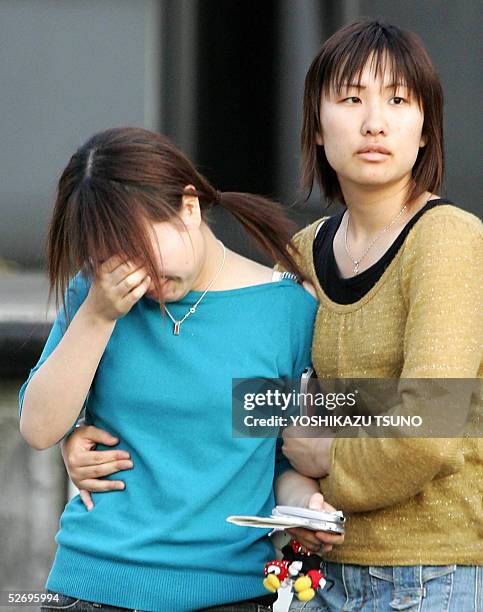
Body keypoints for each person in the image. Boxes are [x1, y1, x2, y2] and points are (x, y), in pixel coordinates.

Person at [18, 127, 343, 612]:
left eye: (144, 252)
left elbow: (277, 457)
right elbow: (40, 428)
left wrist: (307, 506)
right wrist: (98, 314)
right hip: (93, 585)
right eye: (113, 259)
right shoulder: (100, 294)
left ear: (188, 207)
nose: (140, 278)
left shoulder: (286, 312)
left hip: (230, 592)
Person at [274, 18, 482, 611]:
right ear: (316, 126)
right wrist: (293, 487)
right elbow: (273, 406)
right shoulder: (302, 252)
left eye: (398, 100)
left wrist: (326, 458)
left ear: (424, 131)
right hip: (317, 574)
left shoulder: (447, 239)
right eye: (349, 98)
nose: (374, 121)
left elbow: (431, 424)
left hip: (430, 577)